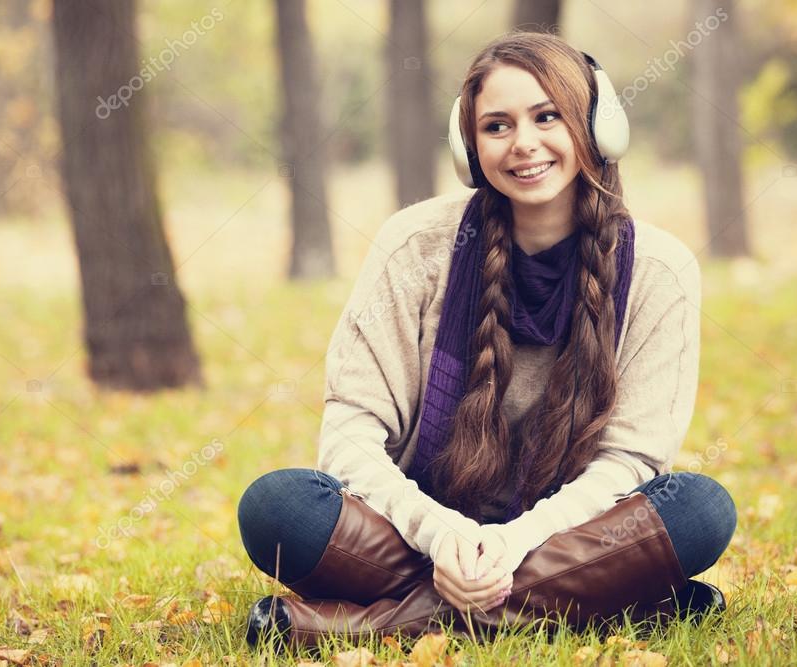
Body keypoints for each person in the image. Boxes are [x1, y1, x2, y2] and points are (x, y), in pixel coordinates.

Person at [237, 31, 737, 652]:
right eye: (497, 126)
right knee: (277, 506)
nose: (524, 143)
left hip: (564, 534)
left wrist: (513, 542)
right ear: (469, 146)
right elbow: (351, 429)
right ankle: (598, 601)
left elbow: (630, 461)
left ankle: (357, 624)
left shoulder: (661, 269)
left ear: (598, 124)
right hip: (416, 531)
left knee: (700, 510)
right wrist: (443, 535)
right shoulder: (416, 245)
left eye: (547, 116)